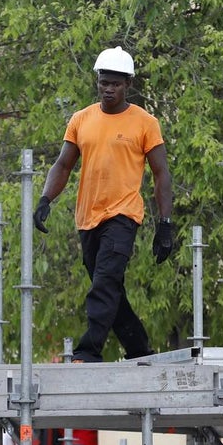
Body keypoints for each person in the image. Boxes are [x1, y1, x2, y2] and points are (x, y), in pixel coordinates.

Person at [33, 46, 175, 363]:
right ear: (97, 81)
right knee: (110, 289)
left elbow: (161, 174)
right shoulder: (81, 119)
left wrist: (165, 225)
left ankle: (88, 350)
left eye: (115, 83)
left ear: (128, 84)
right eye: (103, 82)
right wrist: (46, 199)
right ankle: (139, 349)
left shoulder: (145, 122)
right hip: (87, 218)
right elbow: (63, 164)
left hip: (123, 216)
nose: (108, 89)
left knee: (105, 282)